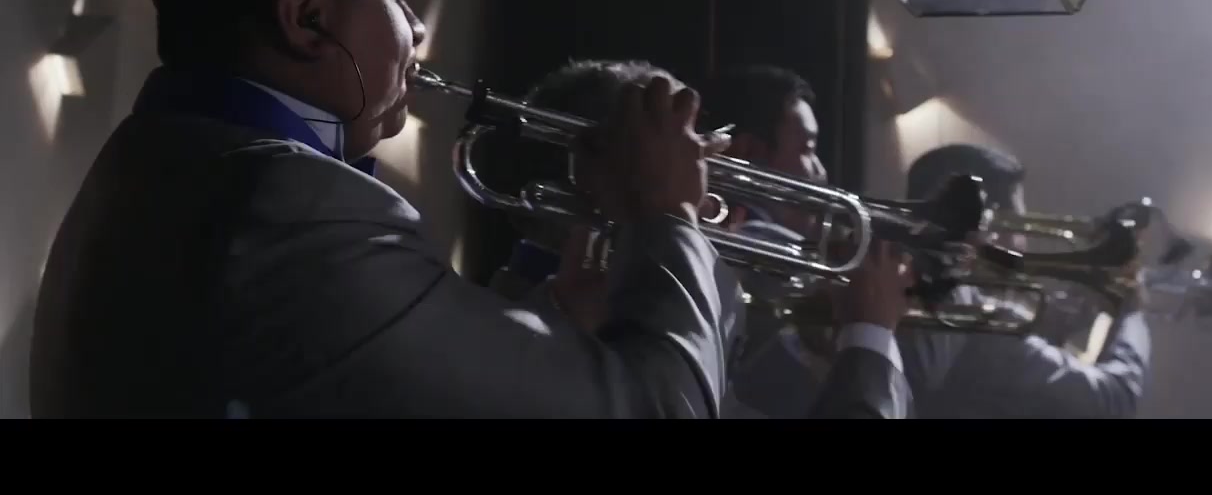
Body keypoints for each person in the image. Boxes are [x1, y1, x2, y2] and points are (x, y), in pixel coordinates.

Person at [29, 0, 738, 418]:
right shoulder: (289, 209)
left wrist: (552, 325)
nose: (416, 28)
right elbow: (661, 408)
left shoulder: (160, 158)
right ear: (307, 17)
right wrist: (667, 214)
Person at [488, 59, 914, 419]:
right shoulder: (513, 362)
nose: (709, 197)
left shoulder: (568, 324)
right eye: (686, 165)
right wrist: (870, 332)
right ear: (610, 182)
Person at [701, 65, 914, 419]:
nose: (820, 171)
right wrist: (870, 327)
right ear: (746, 151)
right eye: (807, 149)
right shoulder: (763, 252)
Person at [895, 143, 1152, 419]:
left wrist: (1081, 306)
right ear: (986, 225)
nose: (1023, 242)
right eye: (1020, 224)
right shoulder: (976, 319)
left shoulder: (918, 292)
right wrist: (1131, 311)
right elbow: (1113, 400)